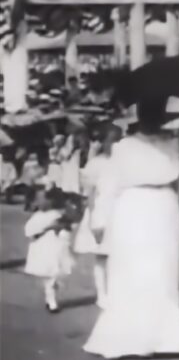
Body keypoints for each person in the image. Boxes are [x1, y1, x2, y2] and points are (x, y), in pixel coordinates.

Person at [83, 101, 179, 359]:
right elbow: (109, 185)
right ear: (141, 118)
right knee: (130, 269)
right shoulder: (124, 147)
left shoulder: (173, 145)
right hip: (133, 207)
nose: (155, 120)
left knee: (162, 271)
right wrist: (99, 220)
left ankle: (166, 339)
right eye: (151, 115)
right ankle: (126, 339)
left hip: (163, 209)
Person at [73, 124, 122, 309]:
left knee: (121, 256)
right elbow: (90, 195)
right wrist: (95, 220)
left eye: (120, 140)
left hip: (122, 212)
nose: (116, 144)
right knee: (102, 255)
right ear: (104, 142)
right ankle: (102, 294)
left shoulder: (125, 163)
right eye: (112, 140)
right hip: (102, 212)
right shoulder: (96, 164)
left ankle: (117, 291)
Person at [24, 188, 74, 312]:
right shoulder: (37, 217)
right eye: (39, 200)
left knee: (56, 276)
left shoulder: (58, 215)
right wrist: (48, 227)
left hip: (57, 250)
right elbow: (29, 231)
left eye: (44, 199)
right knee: (49, 277)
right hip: (44, 251)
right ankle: (52, 302)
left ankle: (50, 297)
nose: (41, 202)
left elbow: (66, 229)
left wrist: (62, 231)